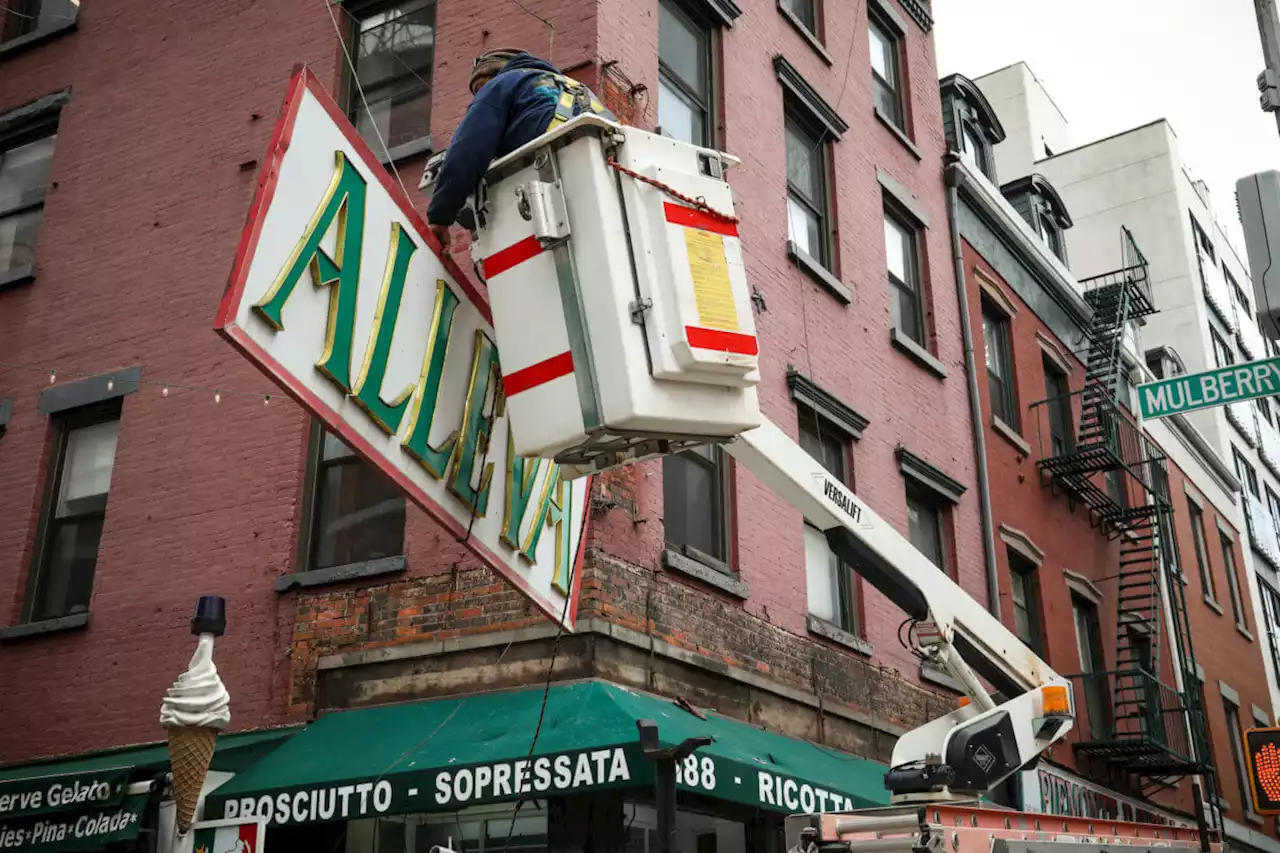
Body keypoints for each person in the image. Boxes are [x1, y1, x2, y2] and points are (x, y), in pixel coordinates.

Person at [426, 48, 615, 248]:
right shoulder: (578, 90)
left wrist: (440, 217)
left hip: (552, 183)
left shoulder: (502, 84)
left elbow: (467, 149)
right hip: (605, 187)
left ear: (495, 74)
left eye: (481, 88)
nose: (479, 97)